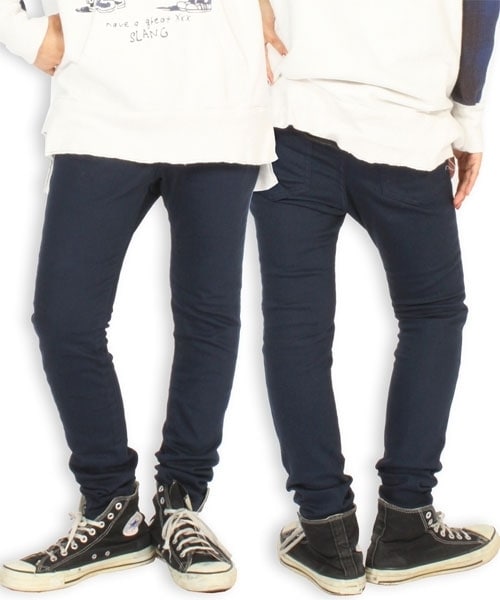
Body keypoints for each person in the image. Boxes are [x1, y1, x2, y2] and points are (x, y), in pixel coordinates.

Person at [0, 0, 276, 593]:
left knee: (207, 317)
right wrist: (18, 32)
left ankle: (182, 501)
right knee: (64, 318)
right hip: (99, 105)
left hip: (221, 99)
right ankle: (111, 506)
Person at [253, 0, 500, 595]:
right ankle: (406, 523)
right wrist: (467, 120)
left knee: (296, 327)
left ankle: (325, 532)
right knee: (432, 315)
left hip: (294, 112)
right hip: (405, 121)